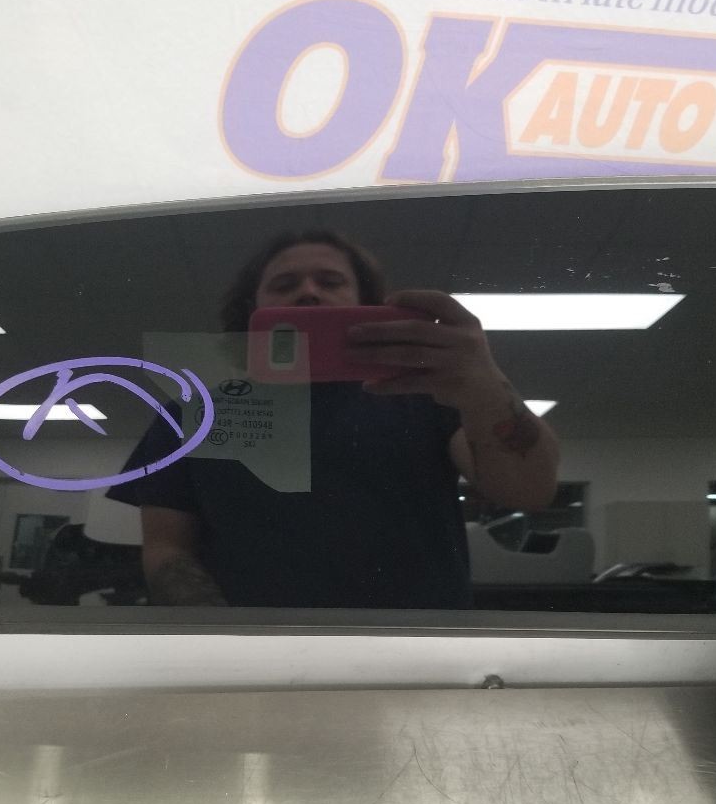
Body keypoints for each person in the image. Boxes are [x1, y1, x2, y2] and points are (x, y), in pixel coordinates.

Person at [107, 230, 560, 607]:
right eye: (284, 284)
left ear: (364, 303)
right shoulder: (193, 411)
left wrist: (484, 381)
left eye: (330, 281)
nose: (308, 292)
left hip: (416, 654)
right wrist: (216, 637)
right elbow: (167, 545)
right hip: (249, 659)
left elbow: (529, 490)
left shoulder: (427, 395)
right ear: (253, 309)